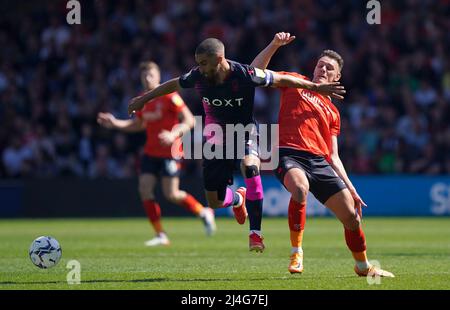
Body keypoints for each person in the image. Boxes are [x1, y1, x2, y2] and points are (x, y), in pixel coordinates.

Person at [128, 38, 345, 252]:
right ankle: (237, 198)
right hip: (216, 140)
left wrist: (316, 87)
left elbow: (283, 80)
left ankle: (255, 234)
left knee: (250, 166)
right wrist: (145, 98)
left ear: (219, 59)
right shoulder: (198, 75)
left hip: (244, 133)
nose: (200, 68)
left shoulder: (245, 74)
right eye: (199, 63)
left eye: (204, 63)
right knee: (214, 201)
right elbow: (174, 83)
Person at [251, 32, 394, 277]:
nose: (323, 70)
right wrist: (274, 44)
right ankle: (297, 251)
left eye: (329, 68)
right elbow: (254, 73)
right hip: (288, 155)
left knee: (352, 218)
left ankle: (363, 267)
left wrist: (351, 188)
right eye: (320, 65)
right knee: (299, 188)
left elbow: (333, 155)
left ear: (337, 77)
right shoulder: (295, 81)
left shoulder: (333, 112)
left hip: (319, 162)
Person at [98, 61, 216, 246]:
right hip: (151, 152)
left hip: (170, 151)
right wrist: (115, 124)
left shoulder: (170, 97)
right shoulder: (142, 101)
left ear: (158, 77)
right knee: (144, 189)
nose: (147, 78)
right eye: (144, 75)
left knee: (172, 194)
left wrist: (173, 134)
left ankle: (203, 211)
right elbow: (138, 125)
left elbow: (190, 120)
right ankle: (161, 234)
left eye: (151, 74)